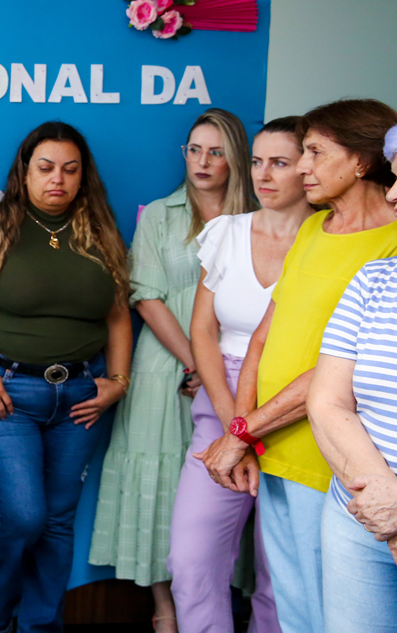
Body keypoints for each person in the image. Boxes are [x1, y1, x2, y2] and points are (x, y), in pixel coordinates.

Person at [199, 99, 397, 633]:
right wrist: (245, 431)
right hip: (274, 445)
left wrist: (245, 432)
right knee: (291, 607)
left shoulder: (391, 244)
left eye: (315, 152)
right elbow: (263, 338)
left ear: (361, 161)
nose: (302, 166)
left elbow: (337, 372)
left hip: (327, 453)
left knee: (330, 612)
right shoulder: (314, 229)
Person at [0, 121, 132, 633]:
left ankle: (41, 625)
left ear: (83, 176)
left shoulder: (100, 230)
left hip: (81, 396)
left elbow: (117, 316)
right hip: (6, 392)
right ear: (24, 173)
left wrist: (118, 380)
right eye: (45, 168)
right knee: (25, 515)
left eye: (70, 169)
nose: (57, 180)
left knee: (58, 521)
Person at [89, 108, 257, 632]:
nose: (202, 162)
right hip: (168, 367)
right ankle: (166, 612)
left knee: (226, 485)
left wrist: (212, 370)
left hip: (240, 370)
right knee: (162, 485)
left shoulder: (258, 217)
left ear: (236, 159)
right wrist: (195, 361)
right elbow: (145, 295)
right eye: (193, 150)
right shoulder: (161, 214)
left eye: (215, 152)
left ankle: (217, 609)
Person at [169, 118, 312, 633]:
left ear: (308, 167)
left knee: (285, 573)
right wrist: (237, 431)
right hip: (224, 403)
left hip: (300, 411)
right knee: (191, 559)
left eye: (280, 163)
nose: (263, 175)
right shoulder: (226, 232)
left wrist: (251, 431)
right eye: (256, 161)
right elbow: (202, 331)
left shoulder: (328, 241)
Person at [307, 126, 397, 633]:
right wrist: (383, 498)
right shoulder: (373, 280)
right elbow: (327, 402)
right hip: (357, 511)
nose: (393, 195)